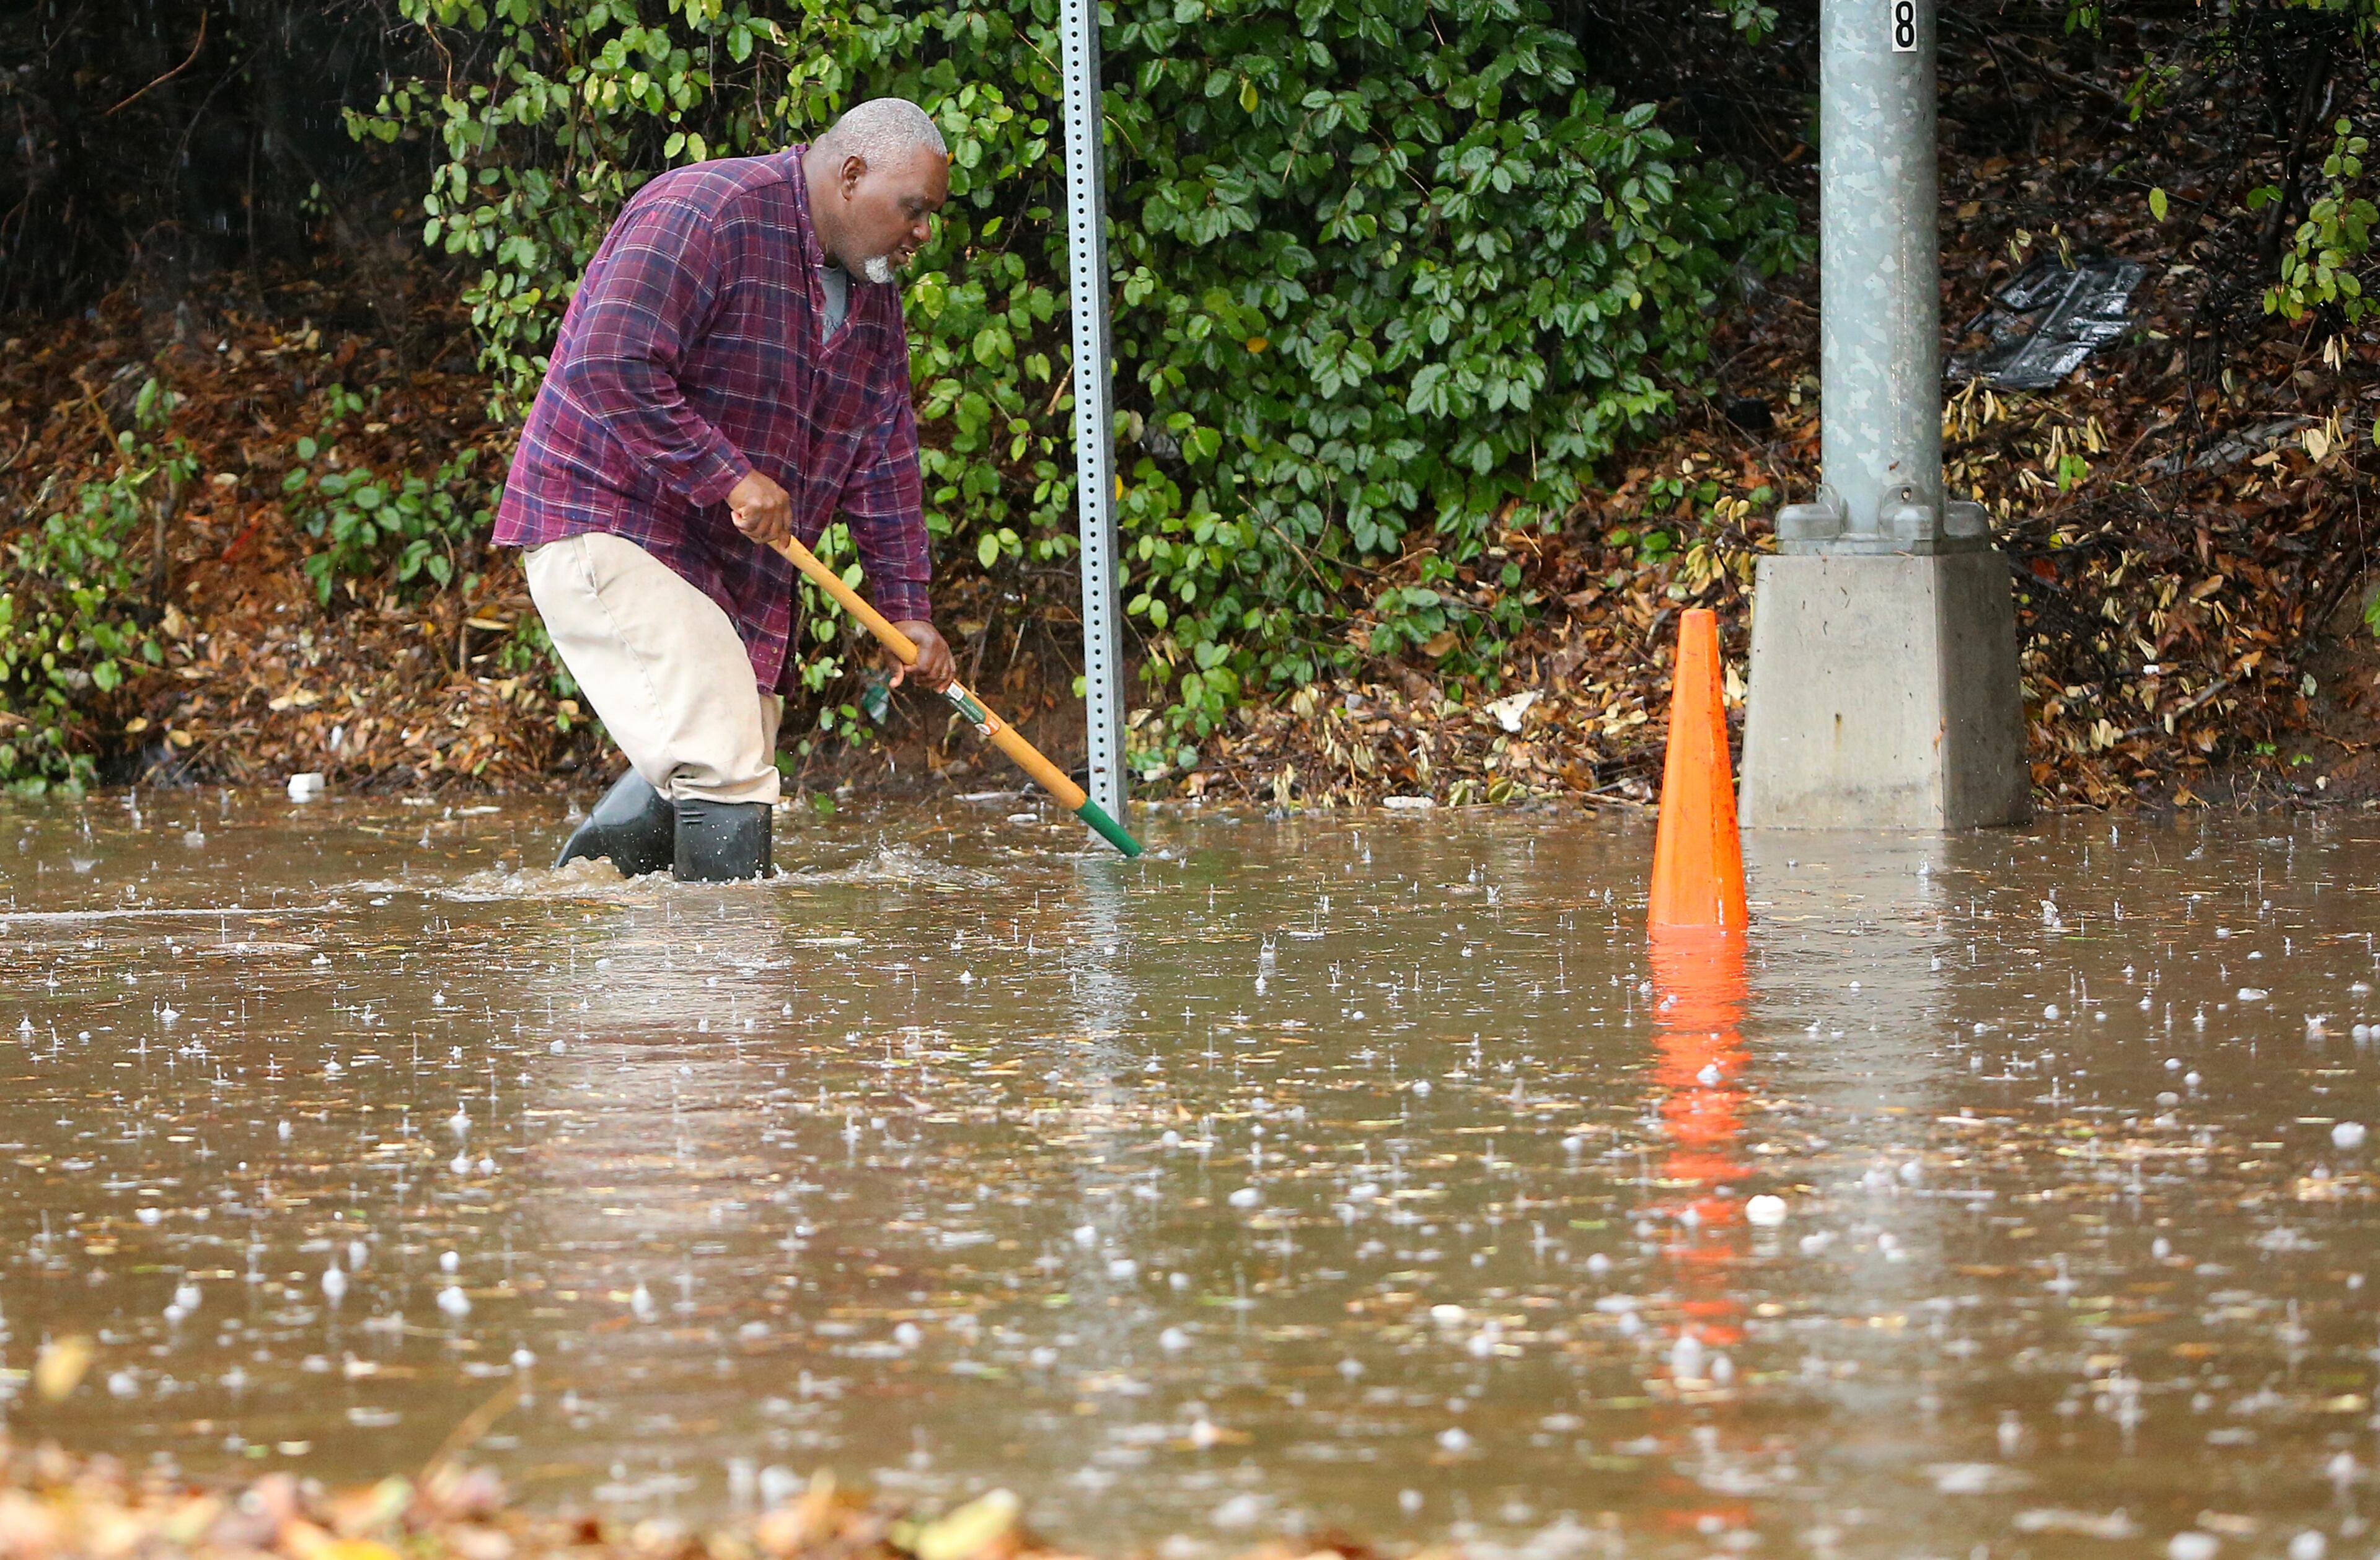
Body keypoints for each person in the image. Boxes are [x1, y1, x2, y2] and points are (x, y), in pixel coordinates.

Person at [495, 98, 959, 882]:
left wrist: (904, 608)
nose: (923, 233)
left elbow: (884, 456)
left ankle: (582, 917)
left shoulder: (872, 296)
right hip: (608, 519)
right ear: (850, 175)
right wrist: (730, 475)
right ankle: (733, 987)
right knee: (722, 757)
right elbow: (611, 362)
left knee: (735, 741)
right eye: (913, 210)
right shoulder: (706, 209)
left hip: (725, 562)